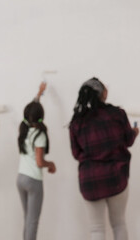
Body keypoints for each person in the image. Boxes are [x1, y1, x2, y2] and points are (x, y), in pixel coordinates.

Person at [69, 77, 138, 240]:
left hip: (90, 181)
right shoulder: (117, 114)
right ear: (103, 94)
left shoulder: (77, 123)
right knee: (119, 224)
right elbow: (128, 140)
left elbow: (76, 154)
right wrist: (135, 132)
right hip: (116, 177)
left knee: (96, 230)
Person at [17, 82, 56, 240]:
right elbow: (39, 162)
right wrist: (50, 164)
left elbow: (32, 111)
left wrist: (39, 93)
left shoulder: (24, 130)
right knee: (33, 222)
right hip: (33, 181)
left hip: (20, 178)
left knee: (27, 220)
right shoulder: (39, 135)